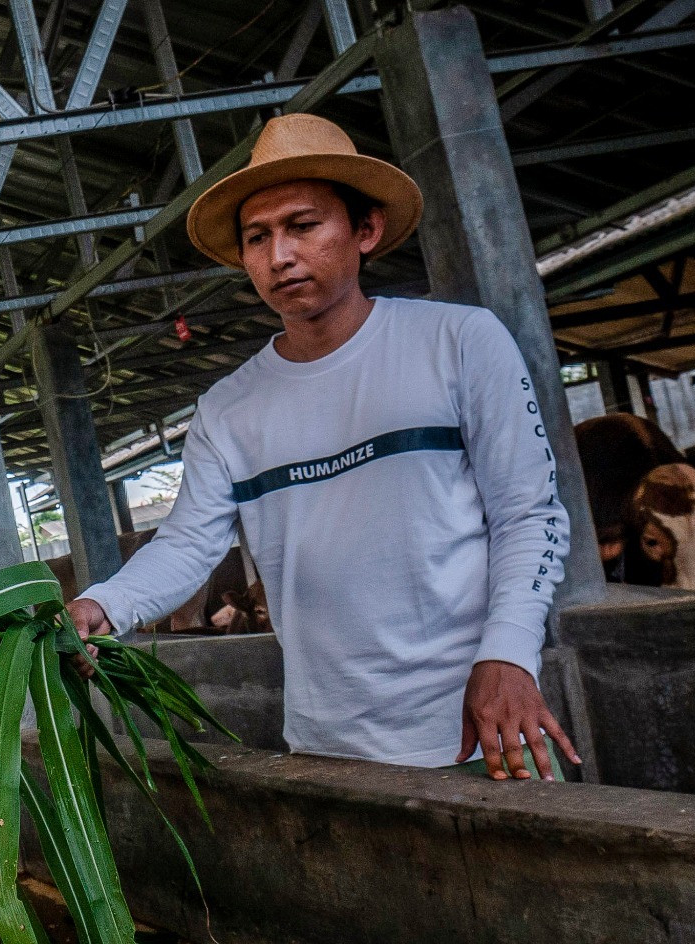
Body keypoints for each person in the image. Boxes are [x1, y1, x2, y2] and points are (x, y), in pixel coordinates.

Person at [68, 114, 579, 782]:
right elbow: (189, 544)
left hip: (485, 732)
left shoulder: (459, 343)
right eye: (258, 237)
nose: (279, 255)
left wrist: (510, 655)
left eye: (303, 225)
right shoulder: (229, 409)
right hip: (326, 747)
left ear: (365, 231)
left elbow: (530, 514)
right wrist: (103, 604)